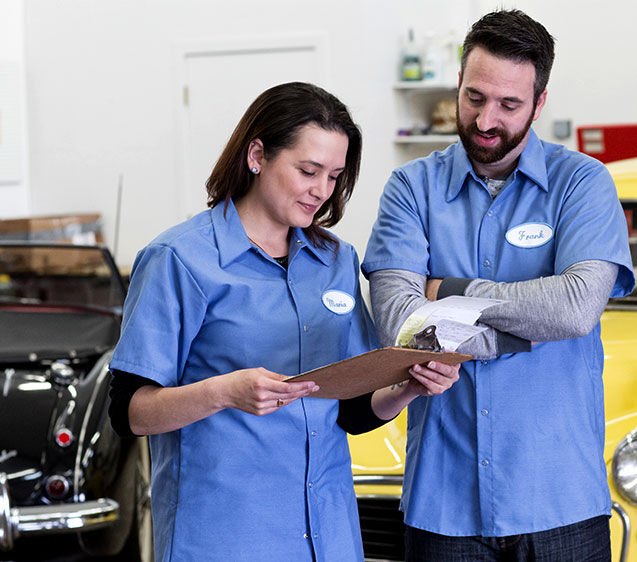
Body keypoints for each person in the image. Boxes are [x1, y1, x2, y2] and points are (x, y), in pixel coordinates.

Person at [107, 82, 460, 562]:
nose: (322, 191)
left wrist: (408, 387)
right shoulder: (179, 259)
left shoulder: (336, 260)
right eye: (308, 171)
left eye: (335, 176)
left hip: (328, 536)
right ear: (257, 155)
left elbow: (351, 409)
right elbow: (130, 413)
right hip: (225, 535)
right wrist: (223, 392)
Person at [362, 10, 634, 562]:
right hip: (444, 503)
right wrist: (521, 332)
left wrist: (447, 292)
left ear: (539, 102)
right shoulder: (411, 189)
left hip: (561, 501)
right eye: (473, 97)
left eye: (509, 105)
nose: (486, 120)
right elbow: (402, 327)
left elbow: (577, 310)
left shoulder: (581, 182)